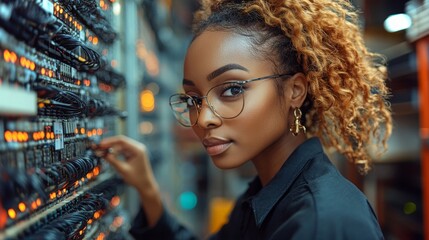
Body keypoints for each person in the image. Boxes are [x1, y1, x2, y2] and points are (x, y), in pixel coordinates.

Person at [97, 0, 392, 239]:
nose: (204, 118)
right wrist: (148, 191)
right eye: (193, 99)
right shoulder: (266, 193)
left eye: (232, 89)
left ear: (295, 90)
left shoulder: (321, 223)